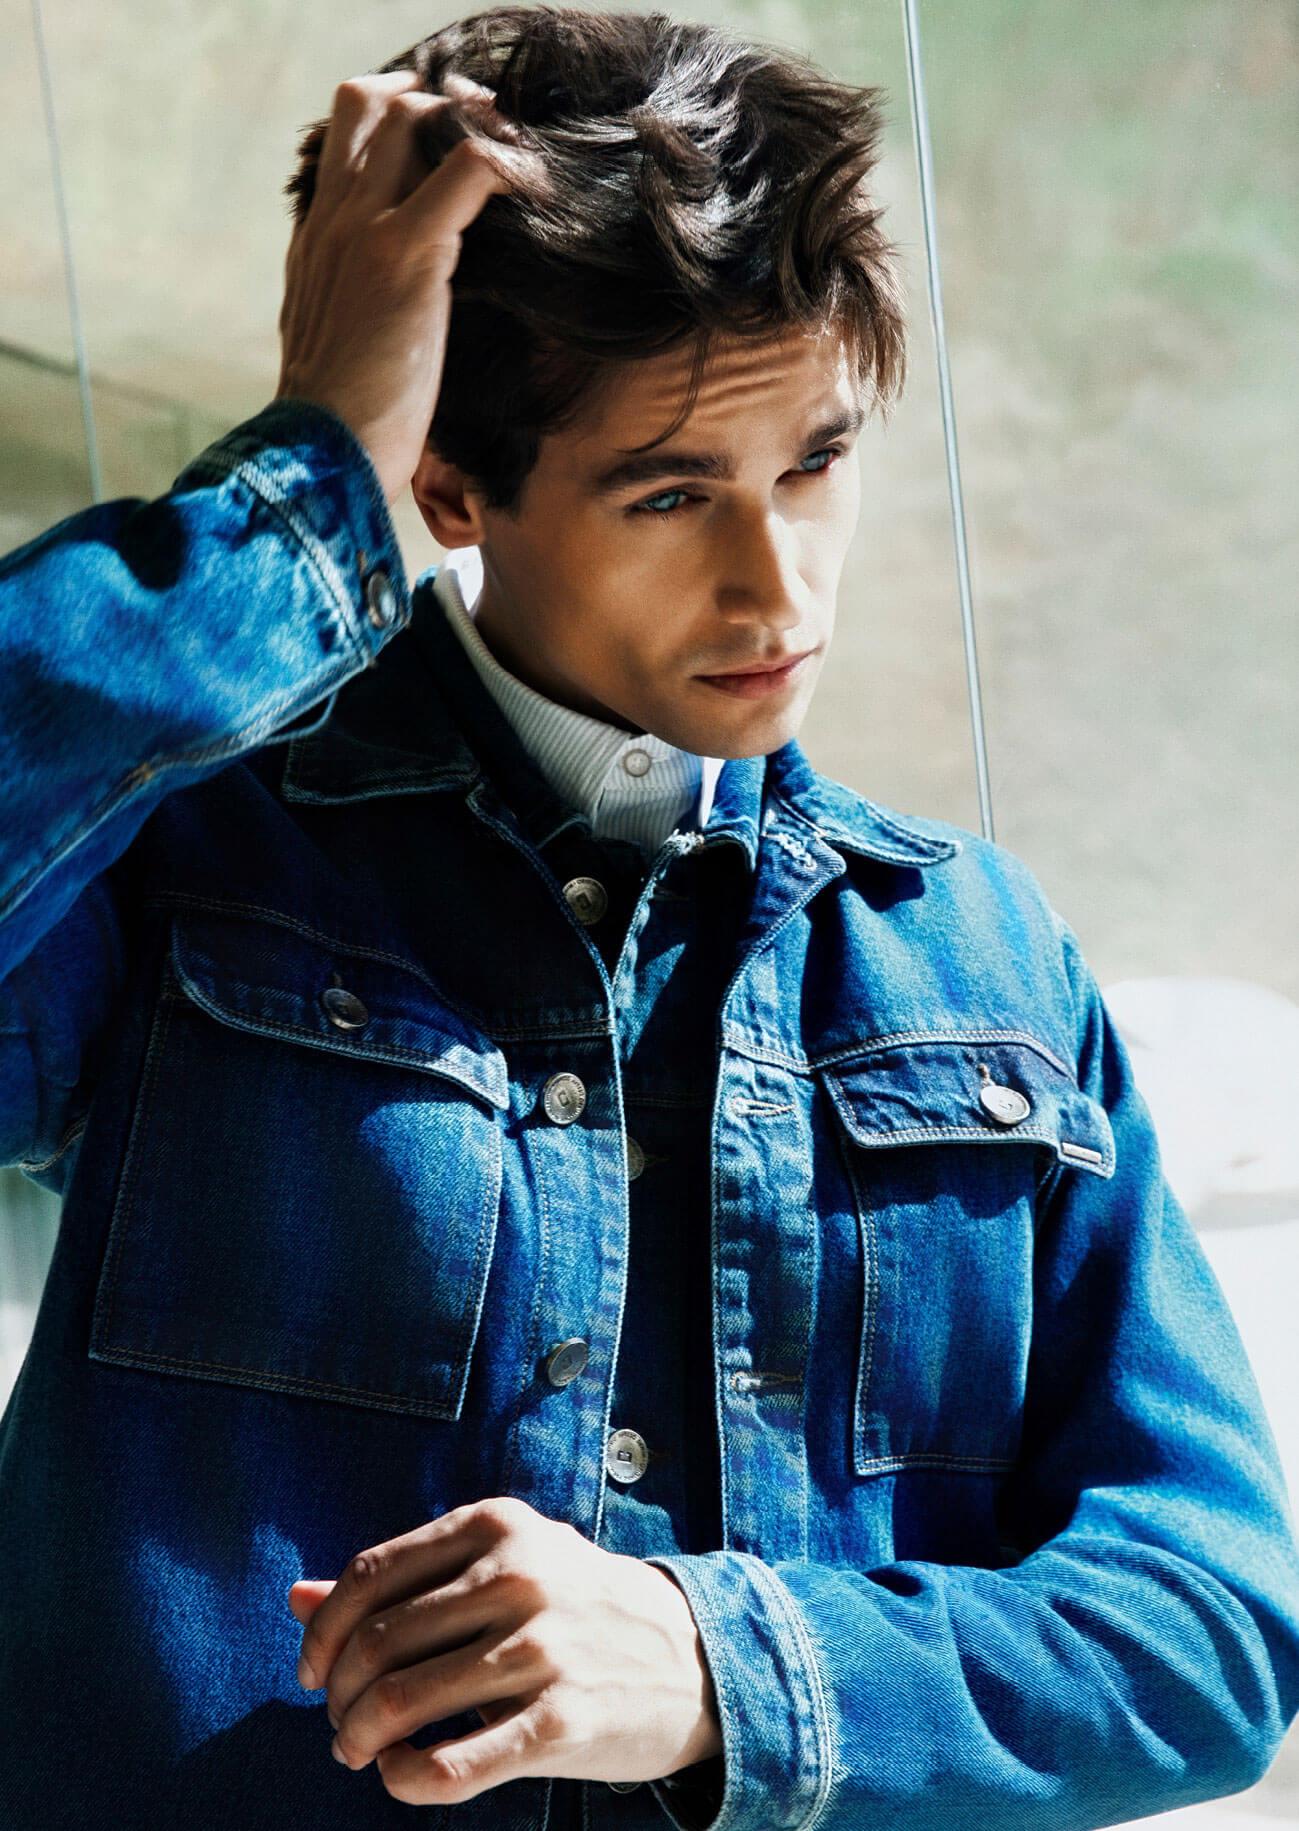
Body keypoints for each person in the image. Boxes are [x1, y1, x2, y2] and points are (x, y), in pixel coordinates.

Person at [1, 8, 1297, 1829]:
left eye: (816, 464)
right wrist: (307, 478)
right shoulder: (185, 859)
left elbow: (1216, 1631)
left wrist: (719, 1664)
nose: (780, 586)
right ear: (451, 485)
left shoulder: (980, 958)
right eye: (674, 493)